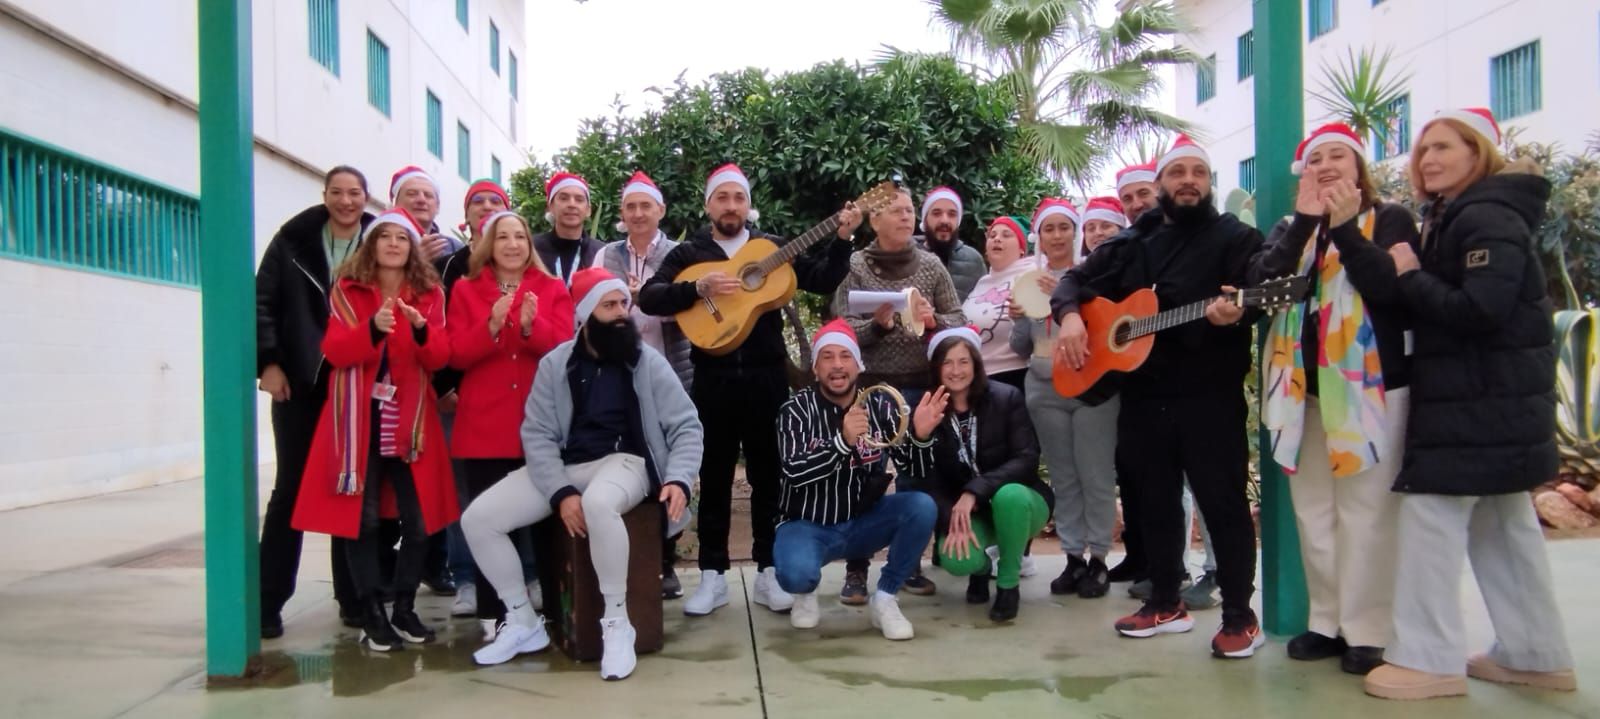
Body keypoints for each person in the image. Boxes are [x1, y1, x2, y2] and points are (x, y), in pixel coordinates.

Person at [1364, 108, 1578, 700]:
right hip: (1496, 406)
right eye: (1423, 150)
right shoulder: (1473, 213)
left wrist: (1408, 273)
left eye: (1444, 147)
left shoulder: (1483, 216)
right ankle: (1536, 653)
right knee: (1505, 530)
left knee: (1430, 523)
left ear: (1477, 152)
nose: (1429, 159)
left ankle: (1428, 658)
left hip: (1474, 406)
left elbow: (1479, 310)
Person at [1051, 134, 1267, 659]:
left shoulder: (1235, 238)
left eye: (1198, 172)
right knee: (1154, 504)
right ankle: (1165, 602)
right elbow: (1073, 281)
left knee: (1222, 504)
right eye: (1177, 173)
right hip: (1144, 398)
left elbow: (1259, 291)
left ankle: (1240, 614)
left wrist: (1240, 309)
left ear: (1210, 183)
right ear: (1162, 184)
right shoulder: (1134, 241)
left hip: (1208, 397)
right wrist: (1073, 316)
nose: (1188, 180)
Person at [638, 164, 859, 617]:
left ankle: (767, 571)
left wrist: (842, 239)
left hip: (766, 377)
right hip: (712, 379)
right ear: (709, 205)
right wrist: (697, 288)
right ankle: (713, 576)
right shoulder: (690, 253)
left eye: (738, 198)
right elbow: (650, 297)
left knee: (769, 476)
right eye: (722, 198)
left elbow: (821, 279)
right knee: (715, 477)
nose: (731, 206)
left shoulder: (771, 248)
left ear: (747, 204)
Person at [462, 268, 702, 681]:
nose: (621, 313)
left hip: (626, 462)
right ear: (586, 314)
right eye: (609, 306)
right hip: (567, 466)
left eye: (623, 304)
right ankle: (521, 621)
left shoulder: (646, 361)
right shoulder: (557, 364)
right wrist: (559, 491)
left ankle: (616, 624)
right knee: (479, 519)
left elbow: (686, 425)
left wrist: (679, 477)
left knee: (598, 503)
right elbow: (536, 434)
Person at [1250, 123, 1419, 676]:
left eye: (1337, 157)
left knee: (1368, 514)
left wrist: (1344, 228)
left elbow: (1387, 289)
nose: (1324, 166)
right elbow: (1260, 283)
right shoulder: (1290, 228)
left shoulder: (1389, 219)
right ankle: (1326, 621)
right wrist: (1304, 221)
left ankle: (1368, 631)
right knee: (1313, 512)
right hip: (1301, 392)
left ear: (1358, 168)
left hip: (1371, 388)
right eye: (1315, 159)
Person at [291, 208, 459, 652]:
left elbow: (439, 359)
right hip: (356, 421)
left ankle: (403, 607)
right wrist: (372, 328)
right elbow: (335, 350)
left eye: (401, 239)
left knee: (420, 522)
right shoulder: (348, 290)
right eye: (383, 237)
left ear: (411, 249)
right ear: (371, 245)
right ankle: (371, 613)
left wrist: (421, 332)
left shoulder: (428, 293)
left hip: (411, 422)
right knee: (361, 522)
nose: (392, 244)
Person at [827, 185, 963, 603]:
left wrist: (933, 318)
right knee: (866, 479)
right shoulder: (856, 266)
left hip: (921, 388)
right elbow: (840, 325)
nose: (907, 218)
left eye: (909, 211)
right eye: (897, 212)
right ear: (875, 221)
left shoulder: (931, 265)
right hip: (871, 390)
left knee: (915, 479)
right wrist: (879, 326)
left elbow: (957, 318)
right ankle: (855, 570)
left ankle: (907, 567)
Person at [255, 165, 375, 638]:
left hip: (354, 385)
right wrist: (268, 362)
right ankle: (268, 601)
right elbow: (263, 301)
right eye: (338, 193)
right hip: (300, 382)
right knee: (289, 494)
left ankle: (353, 598)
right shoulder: (293, 241)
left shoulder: (379, 239)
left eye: (355, 193)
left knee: (348, 491)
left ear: (367, 198)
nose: (347, 202)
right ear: (324, 194)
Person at [446, 210, 575, 639]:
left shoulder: (551, 287)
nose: (513, 244)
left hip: (539, 426)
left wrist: (528, 325)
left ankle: (557, 615)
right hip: (484, 428)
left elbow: (563, 348)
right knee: (487, 522)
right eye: (503, 237)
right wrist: (493, 325)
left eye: (520, 236)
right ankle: (496, 616)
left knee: (545, 526)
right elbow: (456, 355)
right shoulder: (466, 290)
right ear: (489, 243)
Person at [772, 320, 939, 639]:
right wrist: (843, 441)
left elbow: (914, 469)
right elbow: (794, 472)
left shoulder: (879, 403)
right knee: (796, 575)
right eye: (828, 357)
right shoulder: (794, 410)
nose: (837, 366)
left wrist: (919, 435)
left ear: (858, 365)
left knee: (921, 506)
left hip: (863, 522)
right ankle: (805, 594)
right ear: (816, 368)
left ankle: (886, 597)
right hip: (808, 524)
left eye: (845, 356)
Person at [1007, 199, 1119, 600]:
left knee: (1096, 473)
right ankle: (1073, 556)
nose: (1056, 236)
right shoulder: (1027, 280)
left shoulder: (1097, 275)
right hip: (1043, 386)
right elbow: (1021, 346)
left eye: (1064, 227)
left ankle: (1100, 559)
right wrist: (1023, 315)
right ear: (1039, 236)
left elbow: (1108, 331)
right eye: (1048, 229)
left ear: (1077, 232)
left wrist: (1070, 300)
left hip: (1091, 387)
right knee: (1064, 475)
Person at [908, 327, 1048, 620]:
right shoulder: (928, 410)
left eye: (963, 361)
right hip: (968, 511)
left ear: (976, 364)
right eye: (947, 362)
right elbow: (925, 478)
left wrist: (975, 491)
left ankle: (1008, 583)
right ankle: (981, 570)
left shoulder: (1006, 397)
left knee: (1010, 496)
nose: (955, 370)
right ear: (936, 368)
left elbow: (1026, 459)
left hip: (1022, 501)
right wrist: (951, 517)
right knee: (957, 560)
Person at [600, 170, 695, 599]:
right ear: (621, 214)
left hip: (671, 373)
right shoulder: (606, 255)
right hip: (619, 378)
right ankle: (634, 558)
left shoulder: (682, 254)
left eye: (646, 205)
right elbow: (591, 309)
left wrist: (652, 300)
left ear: (661, 210)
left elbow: (696, 309)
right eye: (630, 206)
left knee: (670, 463)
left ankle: (666, 560)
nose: (638, 213)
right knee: (627, 464)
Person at [963, 216, 1032, 390]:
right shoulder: (982, 282)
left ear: (1022, 249)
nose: (997, 238)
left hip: (1013, 376)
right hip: (977, 378)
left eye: (1006, 234)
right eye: (992, 235)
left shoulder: (1032, 275)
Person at [535, 172, 607, 286]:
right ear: (550, 207)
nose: (572, 204)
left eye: (579, 199)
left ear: (588, 210)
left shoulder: (602, 253)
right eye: (564, 198)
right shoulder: (533, 250)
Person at [915, 186, 986, 301]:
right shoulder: (906, 254)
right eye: (936, 213)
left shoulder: (974, 261)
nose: (944, 220)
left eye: (952, 214)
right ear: (925, 219)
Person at [389, 165, 461, 263]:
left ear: (437, 206)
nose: (421, 200)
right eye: (412, 194)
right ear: (395, 203)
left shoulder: (455, 248)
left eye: (428, 195)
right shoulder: (379, 243)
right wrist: (415, 262)